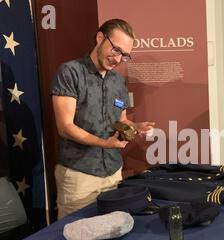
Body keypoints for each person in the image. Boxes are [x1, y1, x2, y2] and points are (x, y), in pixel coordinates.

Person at [51, 19, 155, 219]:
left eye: (124, 55)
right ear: (100, 38)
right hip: (79, 176)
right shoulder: (70, 72)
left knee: (112, 231)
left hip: (113, 174)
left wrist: (135, 126)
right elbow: (65, 127)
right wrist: (103, 143)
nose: (118, 59)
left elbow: (121, 120)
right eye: (116, 50)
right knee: (76, 239)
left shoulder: (118, 81)